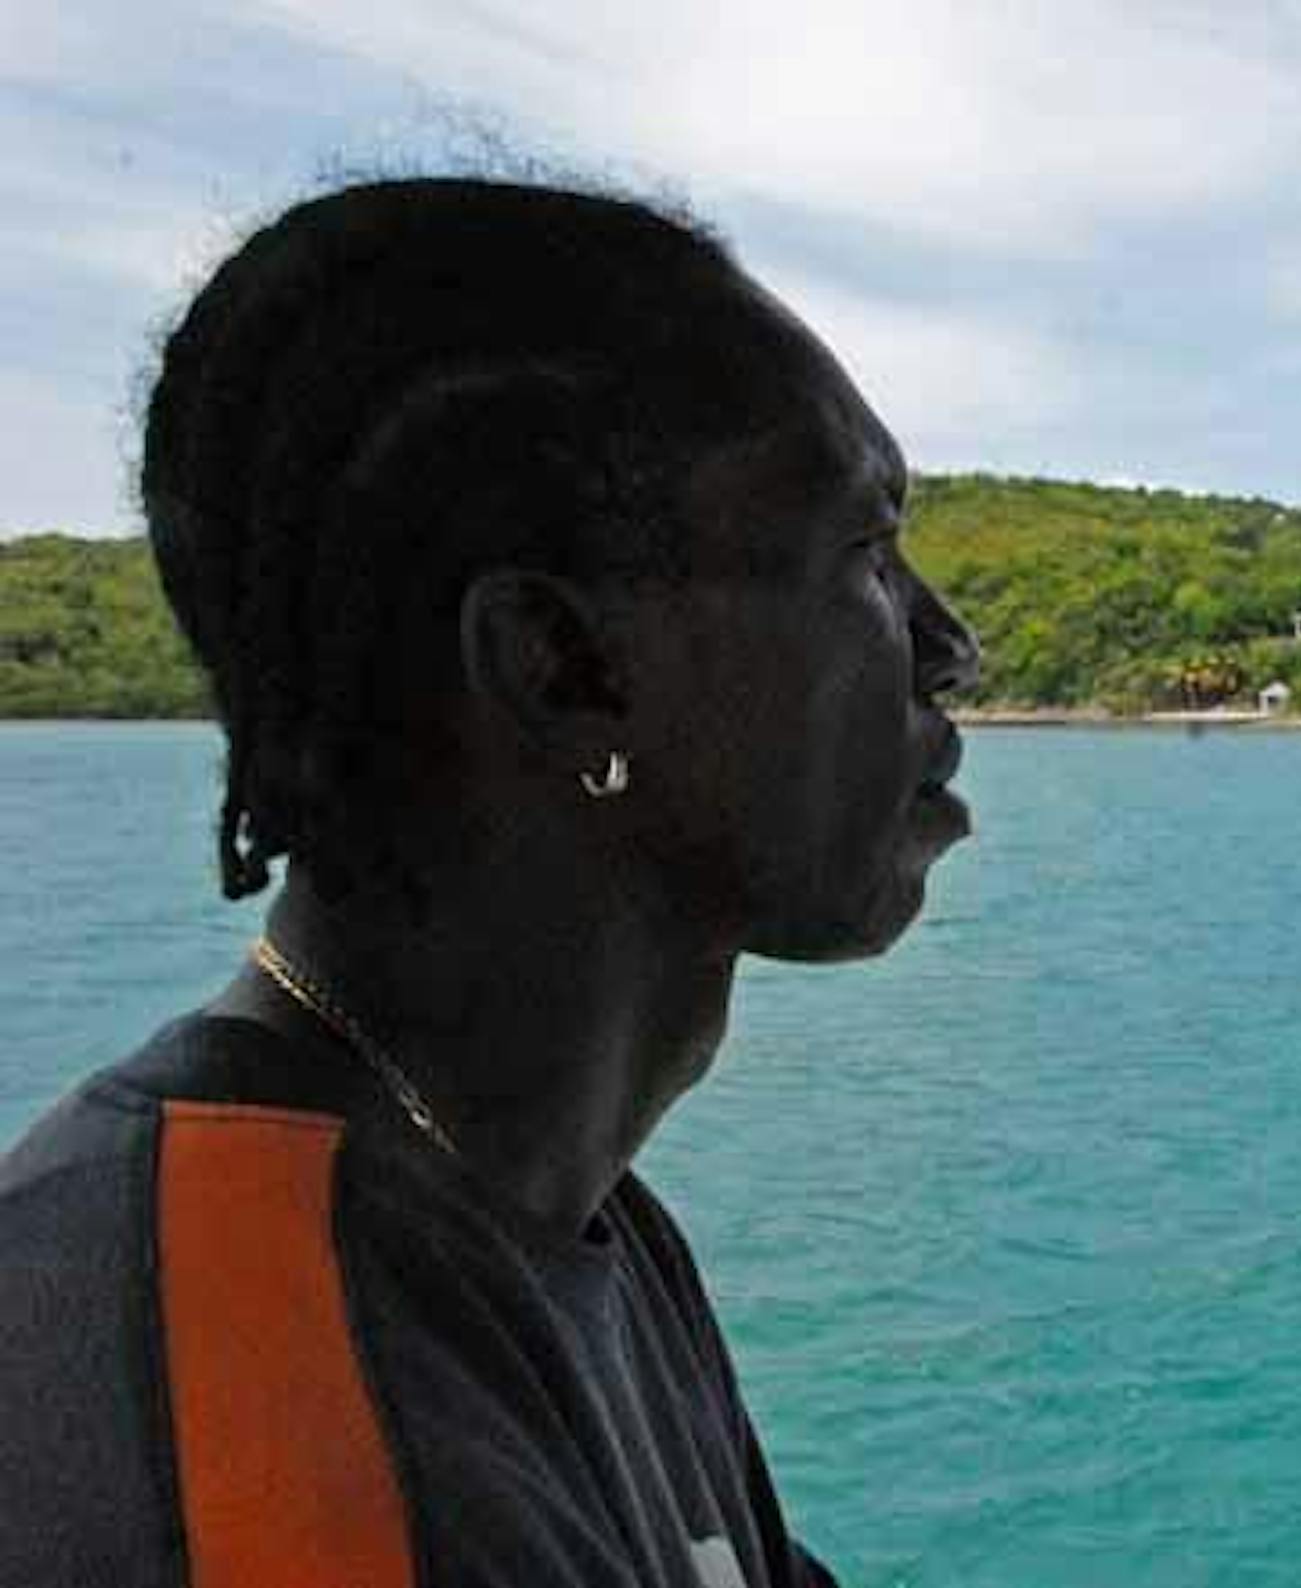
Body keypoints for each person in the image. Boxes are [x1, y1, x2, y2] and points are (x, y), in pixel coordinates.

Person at [0, 176, 980, 1587]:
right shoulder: (257, 1390)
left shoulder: (561, 1229)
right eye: (866, 554)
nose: (949, 649)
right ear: (559, 667)